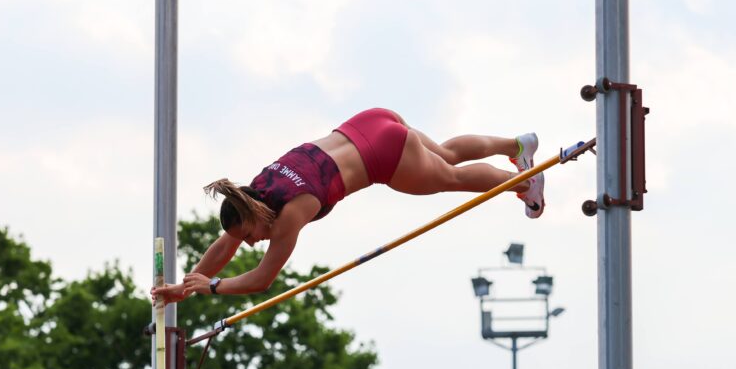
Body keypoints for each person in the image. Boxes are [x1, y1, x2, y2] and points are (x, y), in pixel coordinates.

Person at [151, 108, 543, 302]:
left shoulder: (290, 213)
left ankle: (525, 184)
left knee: (451, 179)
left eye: (251, 236)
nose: (251, 243)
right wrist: (186, 286)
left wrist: (214, 286)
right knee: (445, 153)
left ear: (255, 217)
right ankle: (518, 146)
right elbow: (228, 242)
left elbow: (262, 278)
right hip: (369, 121)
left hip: (382, 154)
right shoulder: (256, 190)